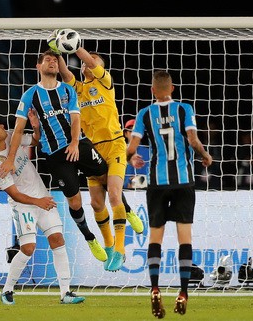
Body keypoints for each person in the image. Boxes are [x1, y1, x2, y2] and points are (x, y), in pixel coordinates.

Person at [0, 49, 108, 263]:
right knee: (75, 202)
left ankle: (126, 212)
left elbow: (76, 120)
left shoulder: (67, 89)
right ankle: (90, 237)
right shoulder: (30, 95)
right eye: (47, 60)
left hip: (78, 144)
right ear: (38, 67)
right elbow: (18, 130)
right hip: (55, 155)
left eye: (55, 60)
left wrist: (75, 143)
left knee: (107, 176)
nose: (52, 62)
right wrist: (10, 159)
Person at [126, 70, 212, 318]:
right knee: (185, 238)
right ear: (172, 88)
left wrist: (134, 157)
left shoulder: (144, 114)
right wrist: (205, 155)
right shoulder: (184, 109)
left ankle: (154, 288)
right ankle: (183, 292)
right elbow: (193, 139)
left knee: (156, 239)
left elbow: (131, 148)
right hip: (183, 181)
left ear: (153, 91)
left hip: (157, 183)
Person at [0, 112, 85, 305]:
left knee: (58, 240)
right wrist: (37, 202)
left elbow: (35, 141)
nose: (1, 124)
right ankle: (7, 289)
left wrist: (35, 126)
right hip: (23, 205)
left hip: (41, 197)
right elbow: (15, 194)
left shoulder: (11, 135)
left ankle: (66, 293)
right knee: (28, 248)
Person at [54, 41, 144, 272]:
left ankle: (121, 250)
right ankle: (110, 245)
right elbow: (64, 71)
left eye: (90, 63)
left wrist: (73, 45)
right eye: (83, 65)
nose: (86, 66)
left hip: (114, 145)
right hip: (92, 150)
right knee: (95, 203)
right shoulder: (77, 89)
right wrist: (57, 49)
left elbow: (92, 62)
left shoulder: (105, 82)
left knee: (114, 194)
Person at [123, 119, 149, 189]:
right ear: (125, 134)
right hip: (123, 191)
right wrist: (127, 182)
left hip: (144, 190)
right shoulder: (120, 151)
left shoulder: (149, 152)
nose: (133, 134)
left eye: (136, 131)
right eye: (131, 131)